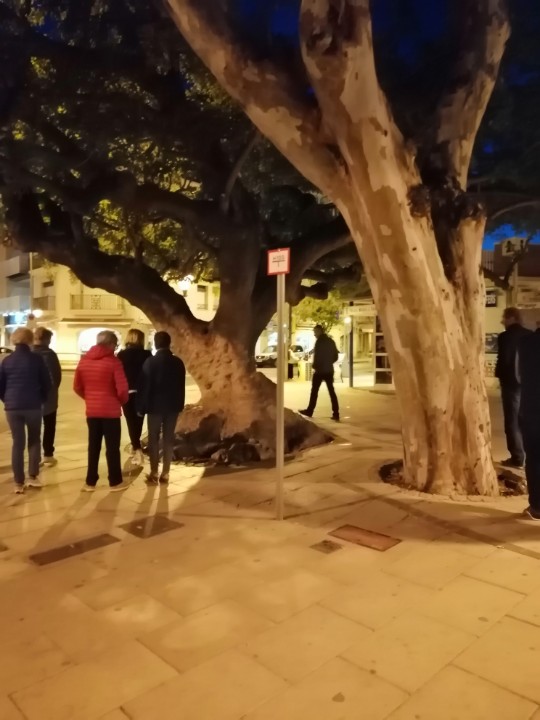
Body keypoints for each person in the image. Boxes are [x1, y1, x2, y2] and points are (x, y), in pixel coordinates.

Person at [74, 330, 130, 492]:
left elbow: (77, 387)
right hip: (111, 412)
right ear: (111, 344)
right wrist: (120, 402)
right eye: (115, 345)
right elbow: (122, 389)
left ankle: (90, 482)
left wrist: (90, 399)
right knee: (112, 448)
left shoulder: (84, 361)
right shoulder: (114, 362)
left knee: (93, 446)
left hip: (92, 411)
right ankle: (115, 481)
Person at [0, 327, 51, 493]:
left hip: (12, 407)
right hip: (33, 405)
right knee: (34, 440)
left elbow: (1, 385)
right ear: (30, 340)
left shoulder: (7, 361)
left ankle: (18, 482)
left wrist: (7, 400)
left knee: (17, 443)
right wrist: (41, 399)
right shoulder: (36, 359)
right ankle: (33, 476)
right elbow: (47, 383)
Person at [138, 331, 186, 484]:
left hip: (154, 406)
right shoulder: (178, 362)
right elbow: (181, 386)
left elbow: (145, 386)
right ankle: (166, 473)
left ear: (155, 343)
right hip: (172, 406)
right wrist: (180, 404)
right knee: (168, 438)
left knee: (153, 438)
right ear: (169, 343)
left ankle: (154, 471)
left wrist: (141, 407)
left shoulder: (150, 362)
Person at [495, 307, 531, 468]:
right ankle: (530, 455)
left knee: (512, 421)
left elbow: (503, 360)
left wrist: (500, 376)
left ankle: (517, 457)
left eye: (504, 317)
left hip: (511, 384)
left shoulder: (505, 337)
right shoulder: (529, 335)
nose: (502, 321)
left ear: (511, 318)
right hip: (529, 384)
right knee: (527, 419)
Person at [117, 329, 151, 466]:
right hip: (142, 392)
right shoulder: (147, 354)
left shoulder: (121, 355)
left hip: (127, 391)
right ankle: (136, 446)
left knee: (130, 420)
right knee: (139, 420)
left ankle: (136, 448)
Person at [517, 329, 540, 520]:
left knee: (534, 460)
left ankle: (537, 507)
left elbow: (518, 377)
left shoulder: (525, 343)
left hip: (531, 412)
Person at [33, 327, 62, 466]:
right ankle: (48, 454)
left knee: (34, 428)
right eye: (49, 339)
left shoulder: (29, 353)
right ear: (46, 339)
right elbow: (56, 377)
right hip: (49, 398)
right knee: (49, 426)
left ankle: (35, 456)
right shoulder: (50, 355)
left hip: (31, 398)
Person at [300, 324, 340, 421]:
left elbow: (318, 356)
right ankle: (336, 413)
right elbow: (336, 356)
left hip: (320, 371)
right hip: (329, 370)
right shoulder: (331, 341)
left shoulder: (319, 342)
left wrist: (315, 366)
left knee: (314, 392)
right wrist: (329, 363)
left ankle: (310, 411)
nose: (314, 334)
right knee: (331, 392)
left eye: (315, 332)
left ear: (320, 331)